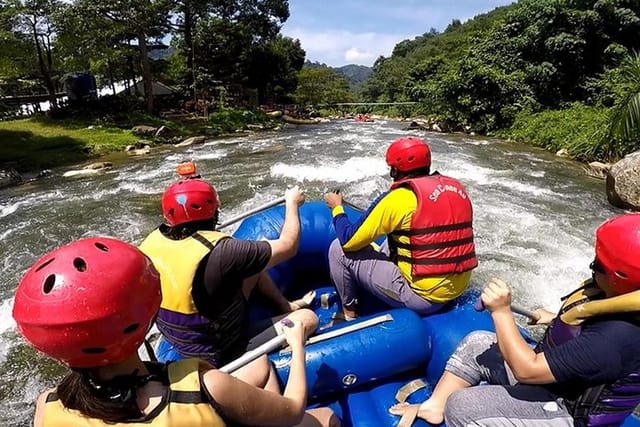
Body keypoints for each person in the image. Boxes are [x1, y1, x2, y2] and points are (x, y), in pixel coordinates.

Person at [12, 237, 339, 427]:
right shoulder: (203, 384)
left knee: (261, 367)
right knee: (324, 419)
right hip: (205, 401)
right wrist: (296, 344)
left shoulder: (47, 406)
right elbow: (295, 409)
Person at [389, 213, 640, 427]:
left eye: (599, 265)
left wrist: (501, 312)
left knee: (463, 406)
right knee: (478, 343)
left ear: (621, 277)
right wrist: (555, 318)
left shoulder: (620, 336)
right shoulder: (616, 296)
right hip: (562, 381)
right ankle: (434, 407)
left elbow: (527, 371)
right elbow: (590, 321)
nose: (592, 267)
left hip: (568, 412)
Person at [139, 164, 318, 390]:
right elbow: (289, 246)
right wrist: (292, 203)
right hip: (220, 352)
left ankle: (286, 305)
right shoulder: (224, 253)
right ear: (214, 211)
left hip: (185, 335)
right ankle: (286, 321)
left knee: (252, 264)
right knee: (309, 319)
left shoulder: (151, 243)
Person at [323, 136, 477, 320]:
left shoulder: (398, 198)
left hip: (422, 299)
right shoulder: (457, 190)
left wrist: (337, 208)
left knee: (337, 249)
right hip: (456, 290)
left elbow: (348, 241)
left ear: (395, 170)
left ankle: (348, 313)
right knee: (395, 241)